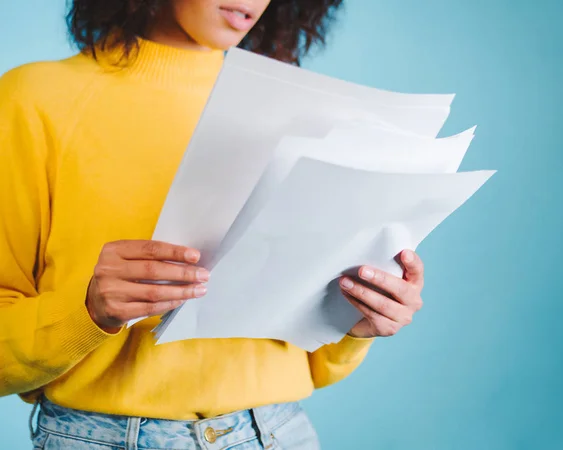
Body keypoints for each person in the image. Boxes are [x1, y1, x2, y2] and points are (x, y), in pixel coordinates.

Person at [0, 1, 425, 448]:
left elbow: (314, 365)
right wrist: (85, 313)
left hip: (279, 432)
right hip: (101, 436)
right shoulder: (35, 98)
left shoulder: (304, 111)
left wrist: (359, 317)